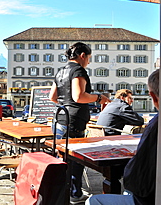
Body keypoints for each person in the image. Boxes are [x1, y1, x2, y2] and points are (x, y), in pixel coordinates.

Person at [49, 42, 111, 204]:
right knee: (76, 161)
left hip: (60, 120)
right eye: (89, 58)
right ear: (82, 55)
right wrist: (99, 97)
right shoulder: (78, 70)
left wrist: (66, 105)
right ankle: (75, 194)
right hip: (74, 122)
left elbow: (52, 97)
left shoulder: (61, 71)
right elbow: (79, 96)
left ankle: (61, 193)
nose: (89, 62)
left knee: (61, 159)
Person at [86, 69, 159, 205]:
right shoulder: (122, 106)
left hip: (100, 141)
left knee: (93, 200)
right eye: (130, 98)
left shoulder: (112, 105)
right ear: (123, 97)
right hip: (111, 140)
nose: (131, 101)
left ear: (153, 97)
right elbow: (138, 121)